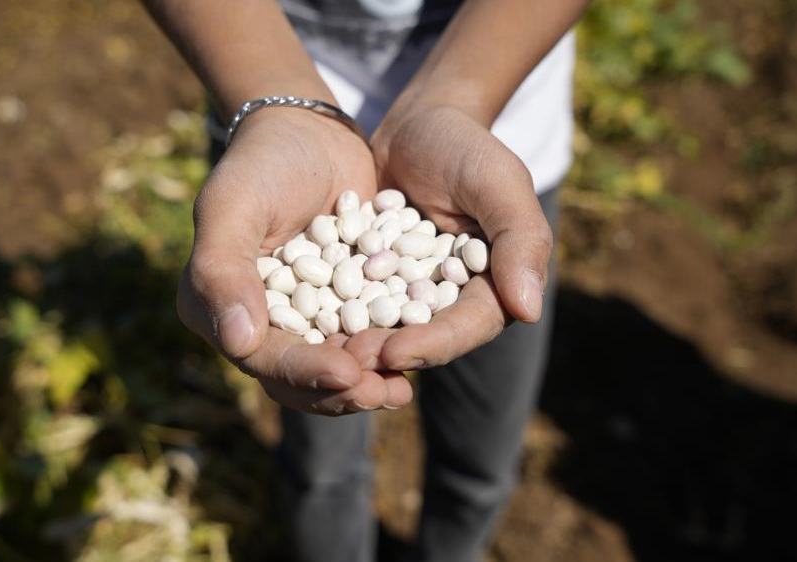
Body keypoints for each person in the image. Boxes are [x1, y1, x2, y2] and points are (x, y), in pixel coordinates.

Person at [143, 1, 588, 560]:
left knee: (483, 457)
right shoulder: (316, 229)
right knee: (322, 462)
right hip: (274, 139)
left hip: (493, 144)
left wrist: (455, 100)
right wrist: (275, 101)